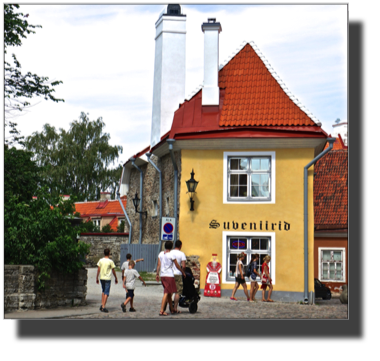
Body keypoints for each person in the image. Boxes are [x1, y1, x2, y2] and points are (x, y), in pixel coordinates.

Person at [156, 241, 186, 316]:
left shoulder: (161, 254)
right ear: (171, 246)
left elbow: (158, 265)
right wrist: (182, 271)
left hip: (162, 275)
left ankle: (172, 309)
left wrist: (157, 274)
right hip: (169, 275)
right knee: (166, 292)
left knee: (169, 293)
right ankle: (162, 310)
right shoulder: (171, 255)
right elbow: (177, 265)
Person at [96, 248, 118, 313]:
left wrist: (97, 277)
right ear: (109, 253)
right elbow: (113, 270)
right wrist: (116, 278)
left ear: (103, 253)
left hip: (102, 277)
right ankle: (103, 306)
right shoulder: (110, 261)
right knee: (106, 292)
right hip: (107, 278)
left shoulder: (100, 260)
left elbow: (98, 270)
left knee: (103, 291)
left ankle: (102, 304)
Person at [170, 240, 187, 313]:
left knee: (170, 292)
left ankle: (168, 306)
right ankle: (175, 308)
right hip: (178, 274)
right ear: (180, 246)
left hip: (170, 274)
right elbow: (183, 266)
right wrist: (183, 272)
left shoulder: (170, 253)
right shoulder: (181, 254)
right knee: (178, 292)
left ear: (174, 245)